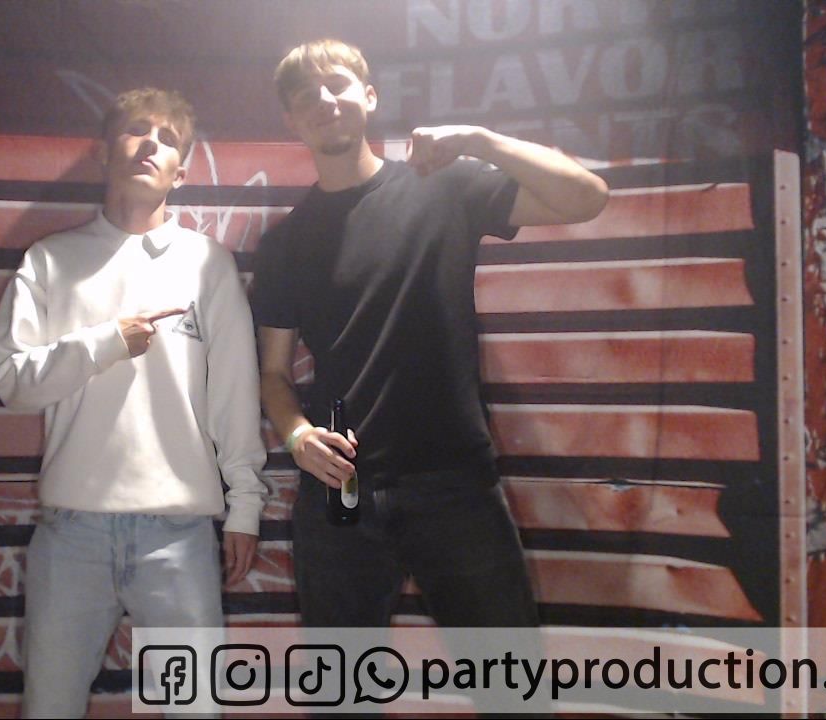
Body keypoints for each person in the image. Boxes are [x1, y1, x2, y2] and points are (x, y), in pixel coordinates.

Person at [253, 39, 609, 631]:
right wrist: (297, 437)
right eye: (306, 95)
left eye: (337, 84)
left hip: (453, 482)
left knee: (506, 678)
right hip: (341, 483)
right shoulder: (284, 245)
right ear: (291, 119)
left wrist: (478, 140)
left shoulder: (444, 186)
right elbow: (272, 373)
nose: (325, 100)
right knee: (339, 682)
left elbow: (587, 197)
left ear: (369, 96)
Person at [0, 88, 267, 717]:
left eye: (167, 139)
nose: (150, 145)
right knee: (48, 710)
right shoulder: (51, 260)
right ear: (103, 150)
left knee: (194, 711)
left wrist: (245, 506)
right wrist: (104, 343)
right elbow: (10, 381)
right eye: (137, 130)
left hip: (179, 536)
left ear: (181, 171)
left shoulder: (207, 264)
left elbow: (234, 394)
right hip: (71, 533)